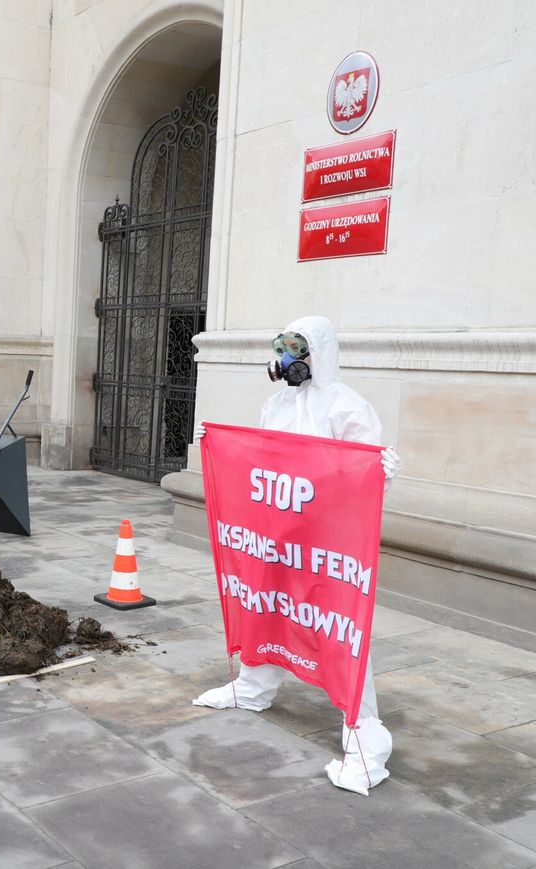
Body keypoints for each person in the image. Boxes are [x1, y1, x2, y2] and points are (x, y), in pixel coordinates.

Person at [192, 315, 402, 795]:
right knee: (265, 606)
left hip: (325, 545)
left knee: (338, 625)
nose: (288, 361)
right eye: (284, 350)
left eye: (298, 350)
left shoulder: (347, 405)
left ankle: (363, 732)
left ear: (320, 353)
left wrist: (382, 470)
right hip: (279, 535)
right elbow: (265, 462)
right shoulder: (276, 403)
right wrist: (220, 450)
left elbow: (360, 472)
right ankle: (253, 686)